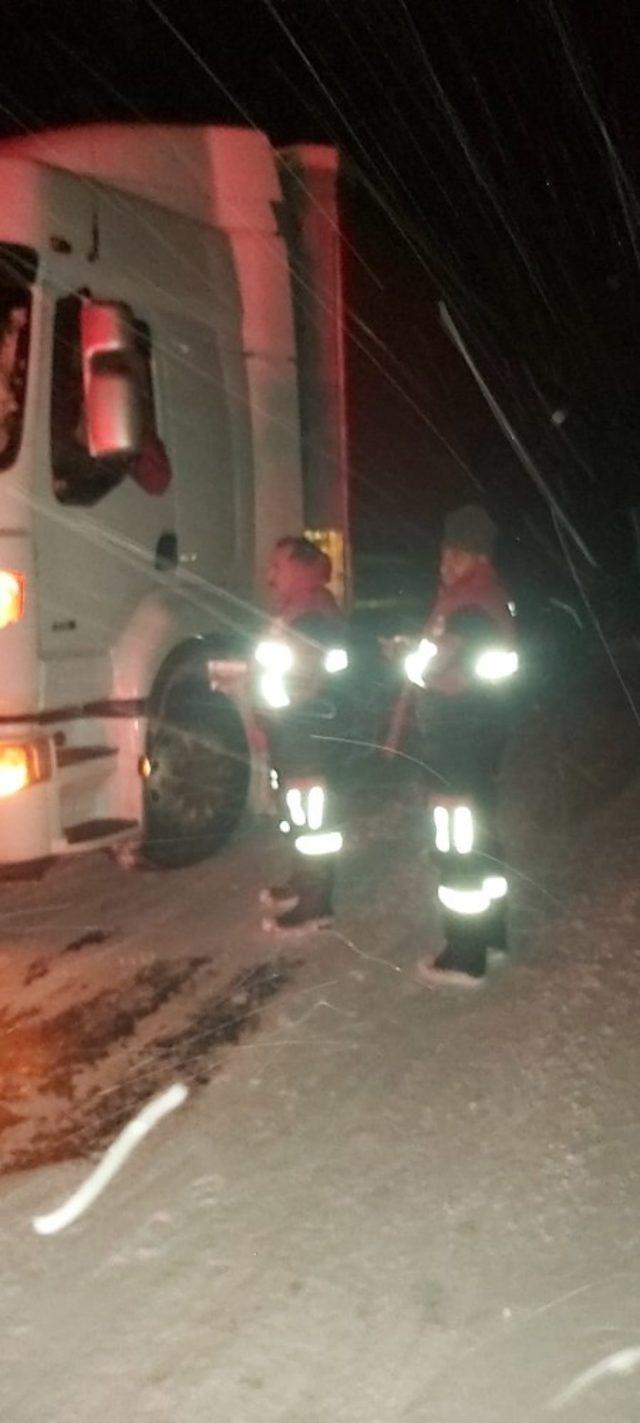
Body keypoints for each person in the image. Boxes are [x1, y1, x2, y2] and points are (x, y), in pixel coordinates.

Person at [398, 504, 518, 988]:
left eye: (450, 551)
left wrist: (409, 658)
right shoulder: (490, 597)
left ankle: (465, 955)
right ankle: (492, 936)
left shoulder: (467, 605)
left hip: (456, 743)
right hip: (478, 741)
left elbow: (436, 666)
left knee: (456, 846)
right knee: (481, 840)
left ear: (469, 554)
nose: (442, 561)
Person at [254, 536, 349, 934]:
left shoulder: (310, 612)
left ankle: (316, 902)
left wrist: (270, 695)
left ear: (300, 568)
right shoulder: (300, 607)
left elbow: (305, 678)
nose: (269, 574)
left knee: (312, 819)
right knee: (299, 811)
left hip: (305, 729)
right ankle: (304, 882)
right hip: (295, 727)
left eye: (278, 565)